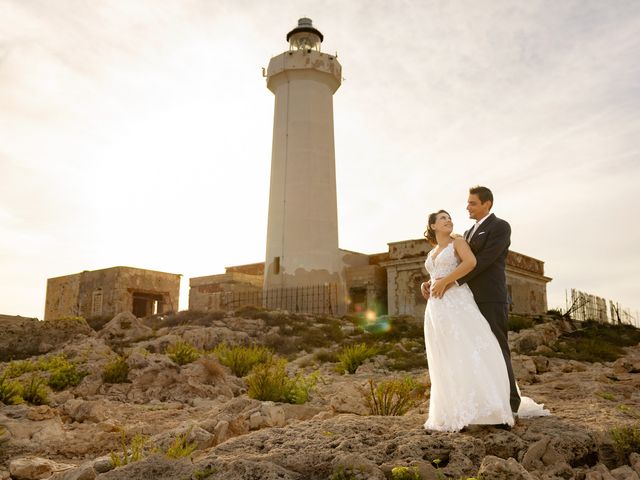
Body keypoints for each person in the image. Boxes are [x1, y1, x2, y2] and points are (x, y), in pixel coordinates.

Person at [420, 194, 549, 432]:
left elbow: (479, 261)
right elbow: (436, 272)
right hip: (443, 307)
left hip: (482, 297)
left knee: (493, 347)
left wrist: (448, 282)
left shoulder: (496, 228)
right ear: (433, 226)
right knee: (451, 353)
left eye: (471, 203)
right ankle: (457, 405)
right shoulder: (463, 235)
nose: (465, 208)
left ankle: (506, 405)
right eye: (443, 218)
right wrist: (428, 284)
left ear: (486, 204)